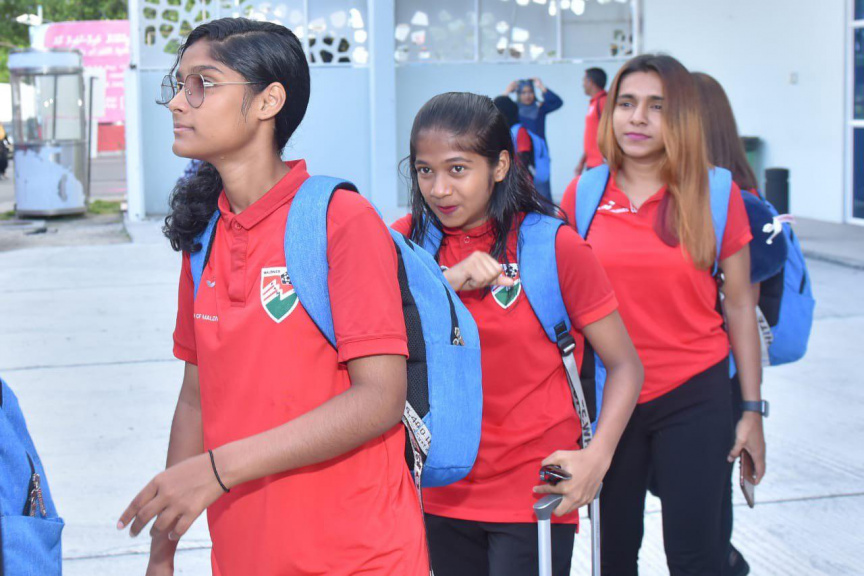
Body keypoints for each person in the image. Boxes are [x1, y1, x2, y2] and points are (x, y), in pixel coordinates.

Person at [117, 18, 427, 576]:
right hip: (243, 556)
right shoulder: (204, 238)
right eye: (178, 84)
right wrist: (161, 555)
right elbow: (195, 401)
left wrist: (218, 469)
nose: (177, 103)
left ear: (268, 101)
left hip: (360, 558)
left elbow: (379, 398)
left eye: (203, 83)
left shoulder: (341, 220)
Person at [393, 92, 643, 576]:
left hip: (533, 496)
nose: (439, 189)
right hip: (433, 491)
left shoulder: (554, 247)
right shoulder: (404, 244)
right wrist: (447, 283)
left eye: (458, 169)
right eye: (425, 171)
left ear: (500, 165)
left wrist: (598, 457)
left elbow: (625, 366)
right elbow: (370, 337)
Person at [561, 54, 766, 575]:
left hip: (696, 392)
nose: (638, 118)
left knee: (697, 557)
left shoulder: (716, 192)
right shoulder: (584, 194)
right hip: (611, 398)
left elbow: (740, 305)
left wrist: (751, 410)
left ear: (682, 117)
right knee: (613, 557)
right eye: (627, 103)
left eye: (657, 106)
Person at [692, 70, 761, 576]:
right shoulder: (738, 189)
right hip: (715, 376)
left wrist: (753, 409)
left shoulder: (728, 196)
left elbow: (744, 304)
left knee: (707, 527)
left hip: (717, 376)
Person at [504, 78, 563, 200]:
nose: (527, 95)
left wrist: (541, 86)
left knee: (543, 193)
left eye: (530, 92)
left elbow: (557, 102)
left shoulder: (539, 109)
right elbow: (498, 108)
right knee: (523, 193)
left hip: (539, 156)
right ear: (518, 94)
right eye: (523, 92)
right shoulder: (514, 110)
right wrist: (507, 92)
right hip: (522, 156)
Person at [493, 95, 545, 197]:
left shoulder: (519, 131)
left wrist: (515, 180)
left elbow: (524, 157)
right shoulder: (506, 131)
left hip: (519, 185)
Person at [576, 67, 608, 175]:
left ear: (590, 82)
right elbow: (592, 136)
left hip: (601, 165)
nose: (583, 84)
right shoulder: (594, 102)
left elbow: (612, 131)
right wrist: (582, 162)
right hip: (592, 164)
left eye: (584, 80)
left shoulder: (603, 102)